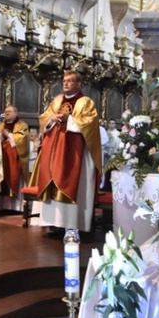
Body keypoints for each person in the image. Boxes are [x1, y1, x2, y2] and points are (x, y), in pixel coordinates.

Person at [28, 71, 102, 232]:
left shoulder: (85, 102)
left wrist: (70, 120)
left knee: (71, 181)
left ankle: (70, 224)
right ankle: (52, 222)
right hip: (53, 151)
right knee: (51, 180)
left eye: (70, 81)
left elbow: (90, 124)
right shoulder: (57, 100)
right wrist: (51, 119)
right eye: (64, 81)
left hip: (74, 152)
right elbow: (45, 117)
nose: (66, 84)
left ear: (79, 83)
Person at [0, 104, 30, 212]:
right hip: (2, 158)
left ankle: (16, 207)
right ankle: (2, 205)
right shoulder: (0, 125)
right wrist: (0, 137)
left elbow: (22, 139)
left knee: (14, 176)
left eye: (10, 111)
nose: (7, 113)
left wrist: (8, 135)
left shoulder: (22, 125)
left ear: (15, 113)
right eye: (6, 111)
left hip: (15, 159)